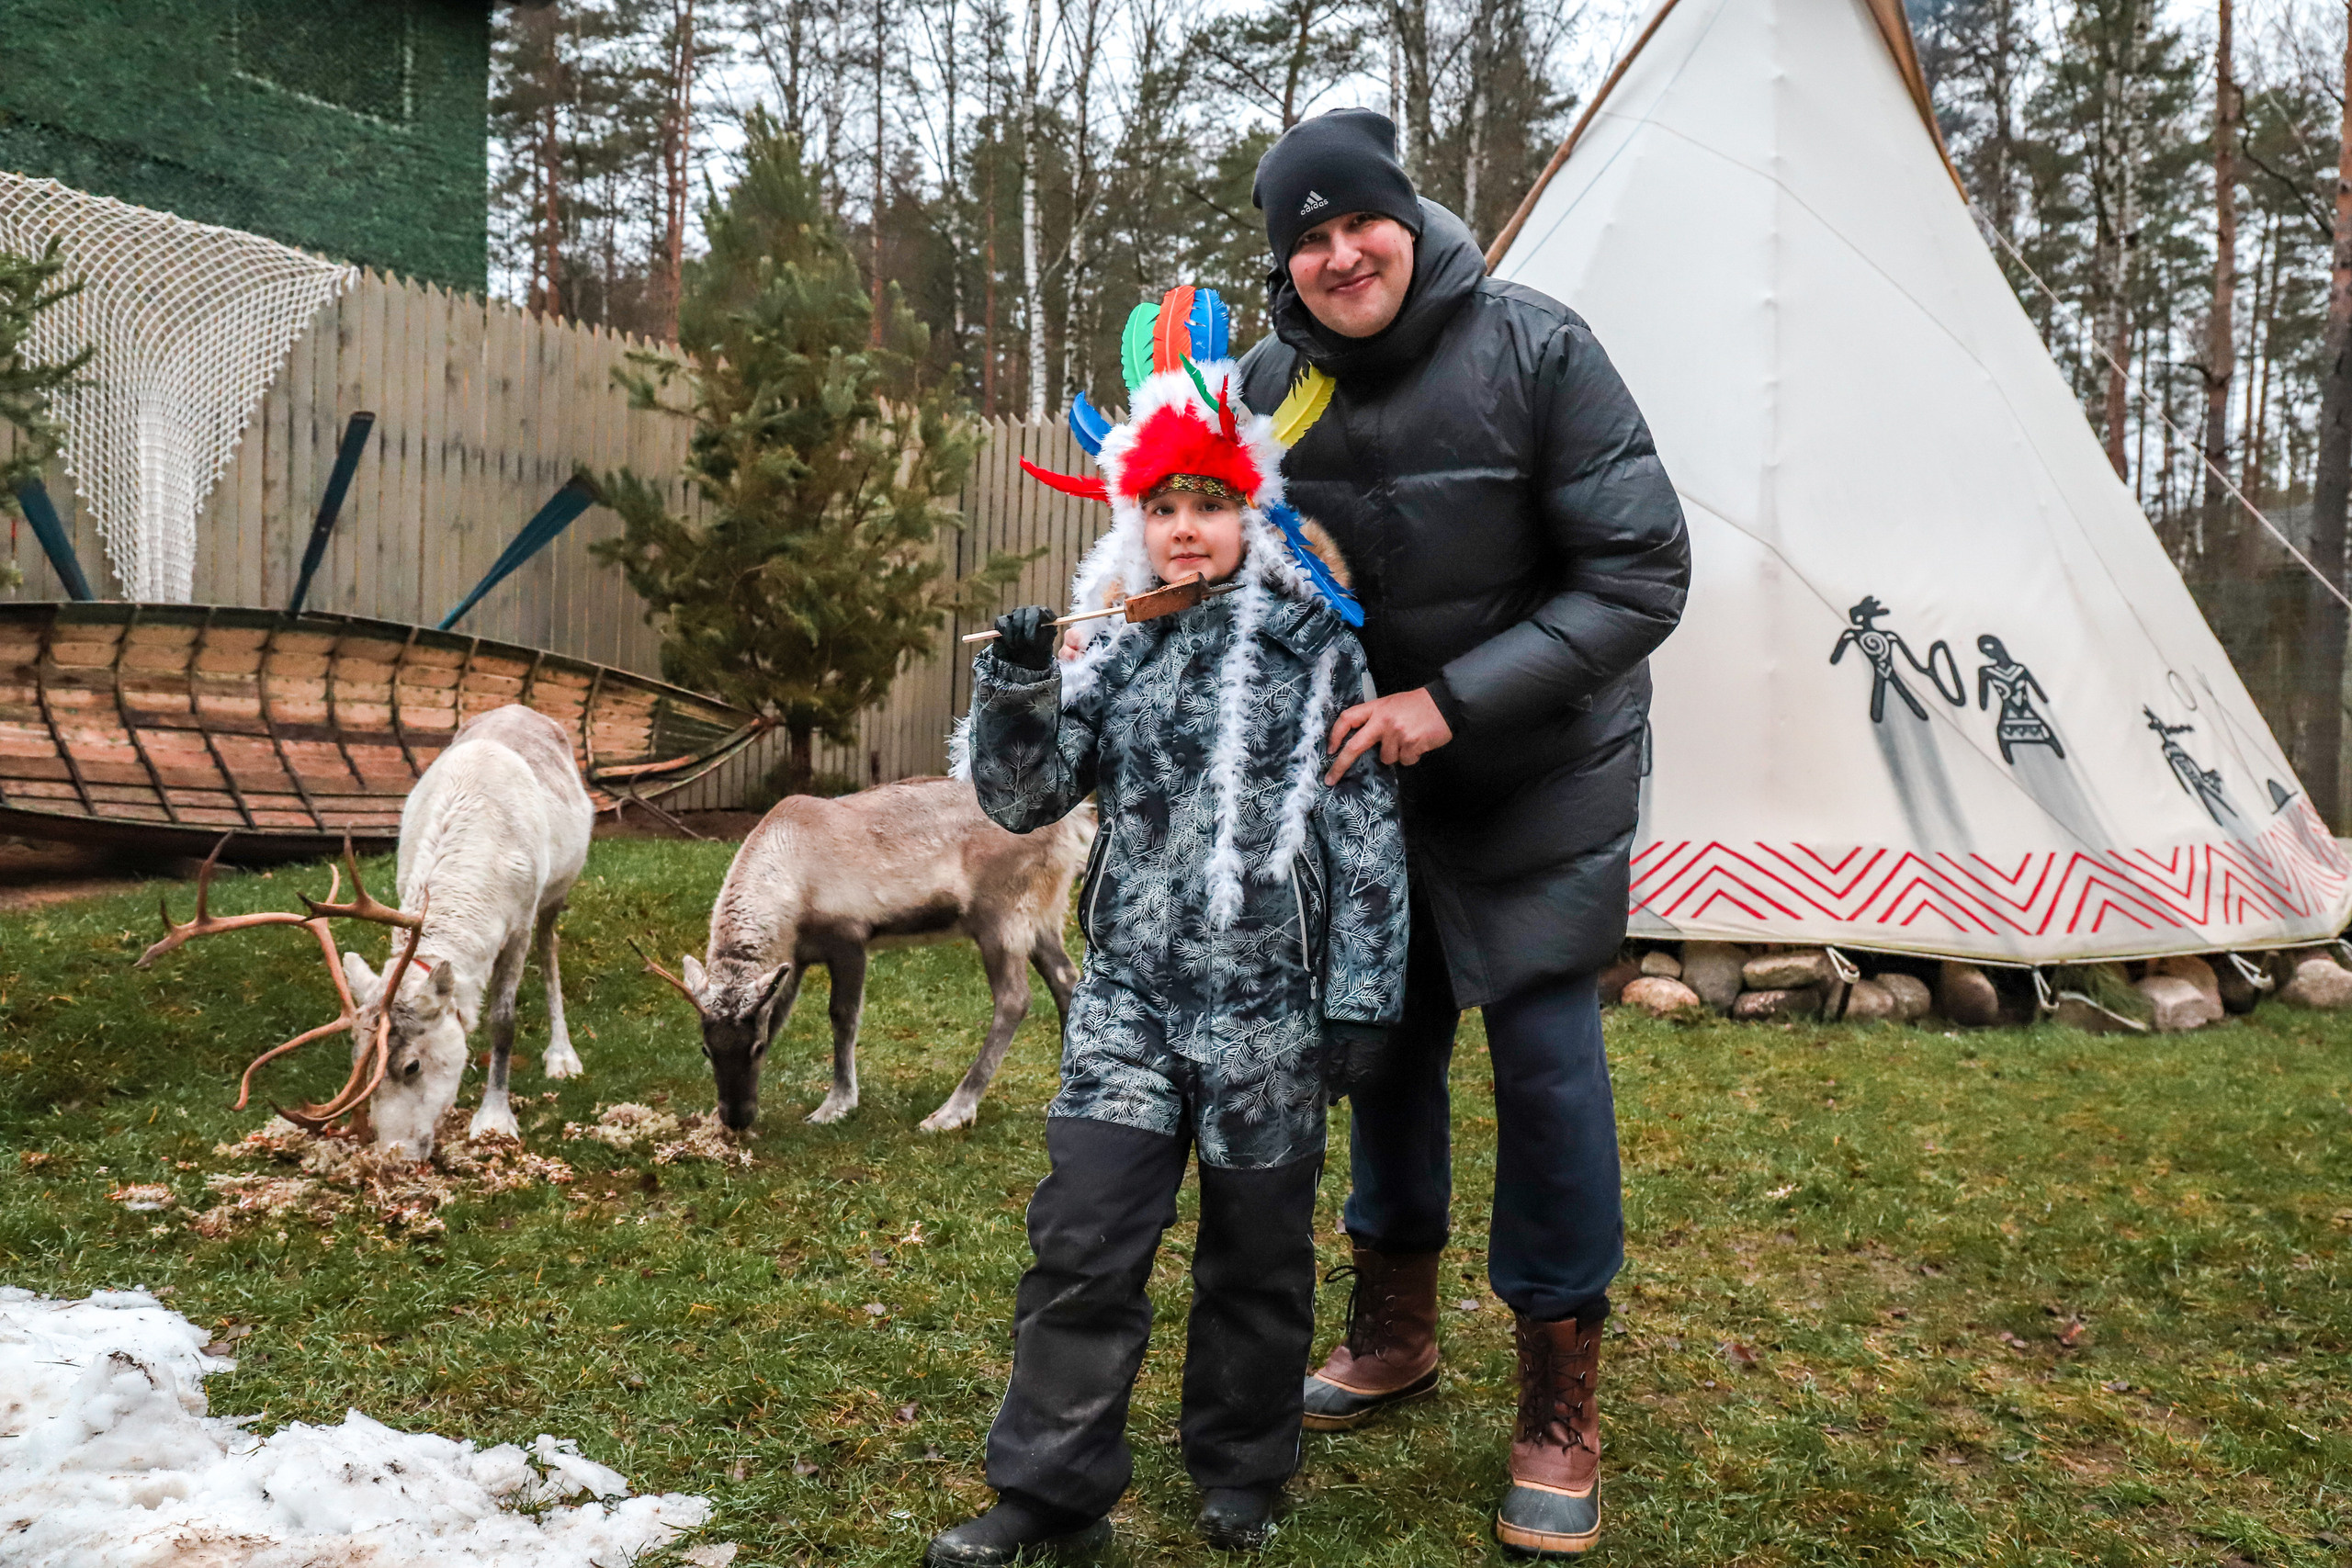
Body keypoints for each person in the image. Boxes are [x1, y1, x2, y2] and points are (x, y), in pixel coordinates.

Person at [1234, 108, 1691, 1558]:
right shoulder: (1263, 385)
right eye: (1304, 238)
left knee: (1545, 1067)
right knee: (1384, 1048)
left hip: (1541, 766)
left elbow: (1640, 573)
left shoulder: (1537, 348)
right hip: (1368, 785)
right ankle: (1393, 1327)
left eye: (1355, 221)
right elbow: (1231, 560)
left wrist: (1456, 699)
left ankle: (1559, 1398)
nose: (1337, 253)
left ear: (1408, 214)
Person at [927, 287, 1410, 1565]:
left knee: (1257, 1262)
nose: (1186, 530)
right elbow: (1022, 793)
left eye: (1209, 503)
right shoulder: (1110, 650)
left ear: (1252, 508)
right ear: (1133, 516)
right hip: (1128, 1006)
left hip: (1270, 1016)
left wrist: (1363, 995)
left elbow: (1366, 831)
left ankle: (1242, 1465)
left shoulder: (1316, 646)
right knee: (1082, 1243)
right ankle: (1049, 1495)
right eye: (1163, 507)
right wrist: (1022, 684)